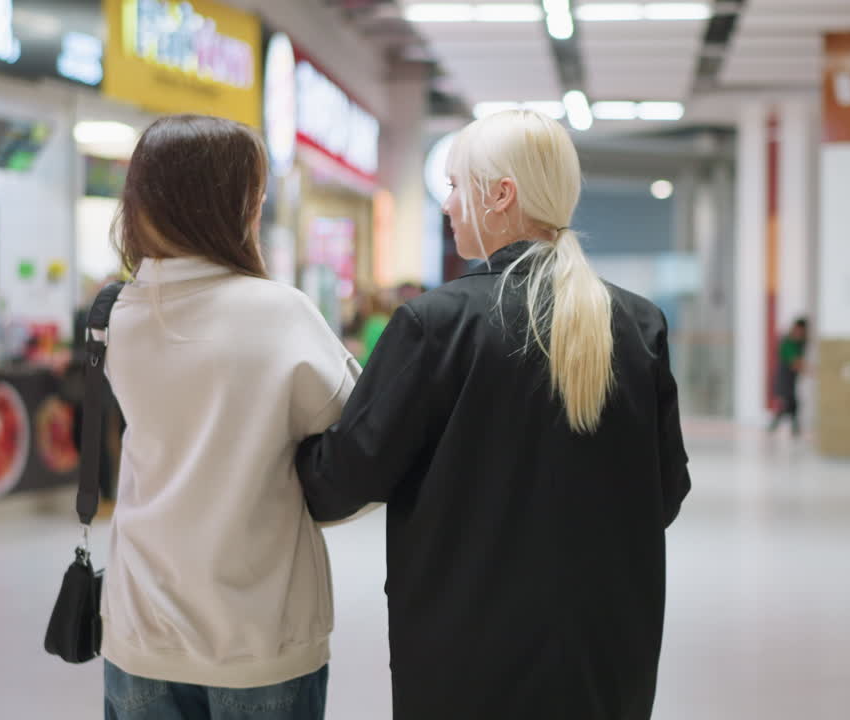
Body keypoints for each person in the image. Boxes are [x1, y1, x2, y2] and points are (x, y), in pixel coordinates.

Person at [295, 109, 691, 719]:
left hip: (464, 655)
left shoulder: (435, 326)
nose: (448, 205)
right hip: (605, 656)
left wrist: (281, 442)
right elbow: (663, 493)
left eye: (456, 186)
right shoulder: (638, 325)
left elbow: (344, 479)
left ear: (502, 195)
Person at [99, 115, 359, 720]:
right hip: (258, 634)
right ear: (234, 206)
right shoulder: (278, 314)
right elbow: (362, 439)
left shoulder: (118, 314)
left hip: (139, 629)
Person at [770, 317, 808, 435]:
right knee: (788, 400)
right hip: (784, 375)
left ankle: (784, 424)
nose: (800, 333)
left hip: (792, 377)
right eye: (798, 330)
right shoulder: (788, 342)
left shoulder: (801, 342)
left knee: (790, 401)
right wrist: (809, 370)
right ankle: (780, 424)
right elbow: (794, 362)